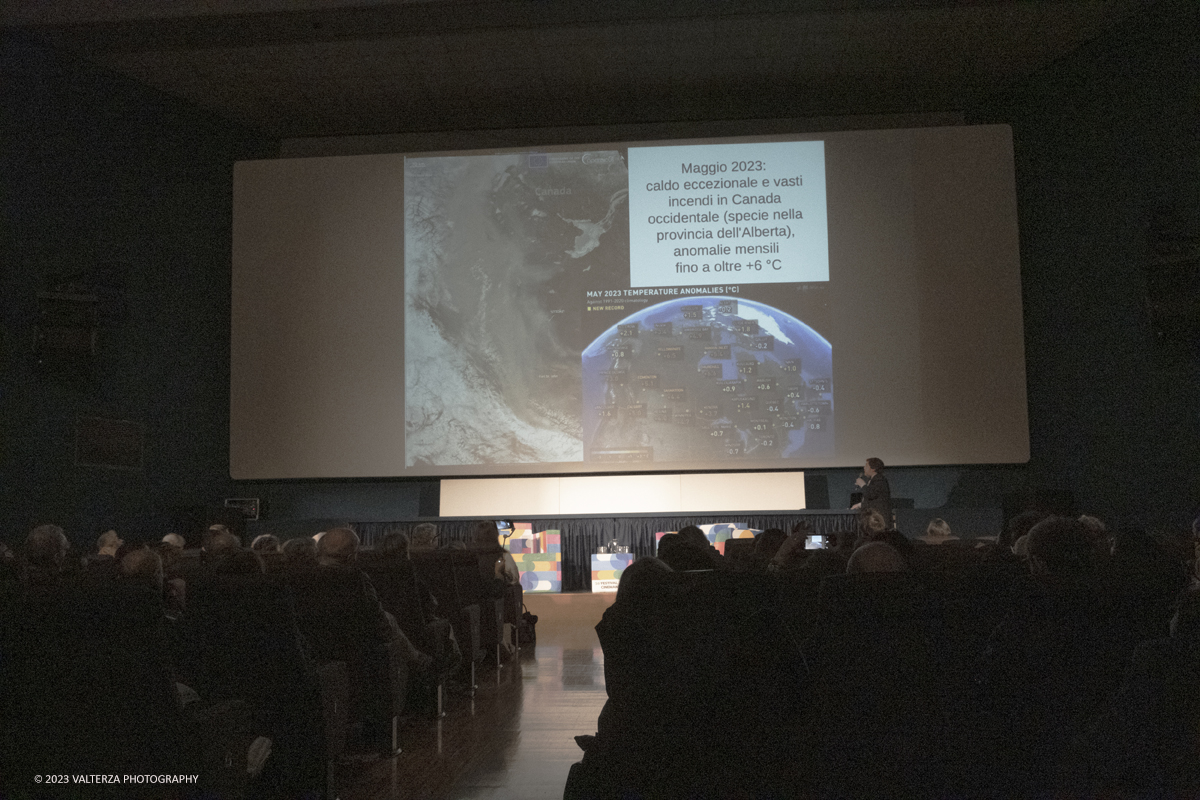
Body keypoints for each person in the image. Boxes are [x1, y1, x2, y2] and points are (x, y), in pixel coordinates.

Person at [852, 457, 891, 524]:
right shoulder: (874, 480)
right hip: (875, 519)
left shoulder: (880, 480)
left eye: (866, 466)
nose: (864, 468)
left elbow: (871, 495)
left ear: (873, 468)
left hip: (879, 521)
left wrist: (862, 484)